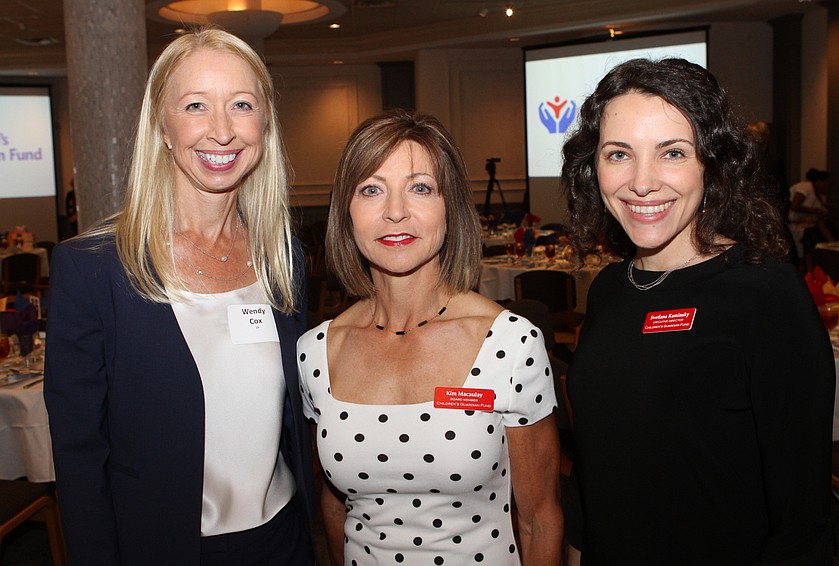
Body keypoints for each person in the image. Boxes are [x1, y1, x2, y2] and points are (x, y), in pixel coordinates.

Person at [44, 28, 314, 565]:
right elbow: (80, 460)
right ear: (162, 127)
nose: (222, 130)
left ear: (264, 123)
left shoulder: (283, 257)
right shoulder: (94, 270)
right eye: (196, 105)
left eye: (242, 104)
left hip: (283, 542)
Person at [560, 58, 834, 564]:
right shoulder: (608, 290)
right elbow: (593, 463)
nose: (642, 182)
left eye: (672, 153)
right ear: (592, 166)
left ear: (713, 163)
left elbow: (800, 510)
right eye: (618, 154)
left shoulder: (765, 295)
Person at [297, 109, 563, 565]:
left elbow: (539, 517)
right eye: (371, 189)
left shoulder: (511, 344)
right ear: (346, 213)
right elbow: (334, 505)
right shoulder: (317, 352)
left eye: (420, 188)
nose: (395, 211)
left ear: (450, 207)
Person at [788, 167, 835, 259]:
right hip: (793, 226)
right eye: (828, 185)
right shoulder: (806, 187)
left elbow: (821, 224)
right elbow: (794, 206)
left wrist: (832, 243)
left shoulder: (820, 198)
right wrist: (814, 210)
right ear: (820, 181)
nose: (829, 189)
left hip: (807, 230)